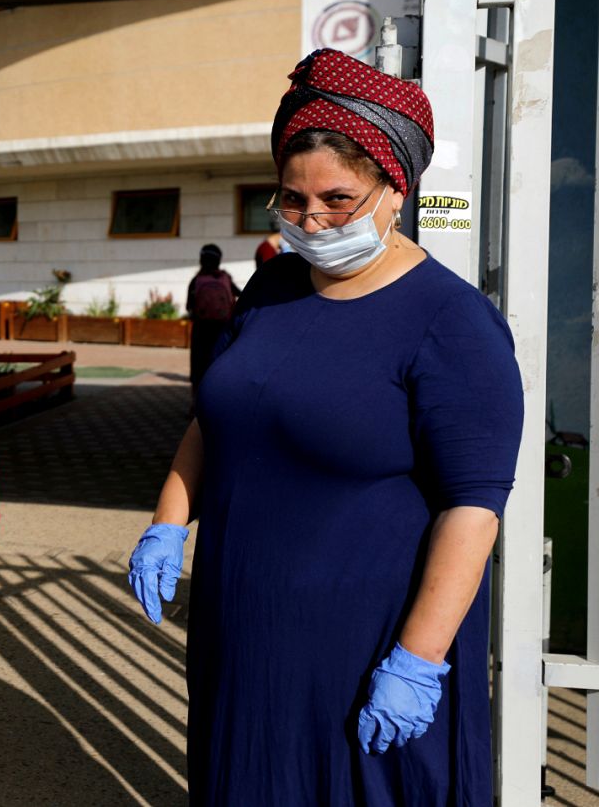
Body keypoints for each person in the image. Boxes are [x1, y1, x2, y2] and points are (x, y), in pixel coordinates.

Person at [125, 49, 524, 805]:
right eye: (293, 201)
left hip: (367, 647)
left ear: (395, 188)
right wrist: (168, 522)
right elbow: (218, 413)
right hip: (243, 634)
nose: (313, 221)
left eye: (338, 200)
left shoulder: (452, 322)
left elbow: (473, 509)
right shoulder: (271, 287)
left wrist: (419, 658)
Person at [185, 243, 240, 402]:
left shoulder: (196, 280)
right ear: (219, 260)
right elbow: (240, 295)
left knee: (198, 367)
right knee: (218, 366)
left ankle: (195, 406)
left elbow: (189, 306)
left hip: (201, 330)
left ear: (201, 259)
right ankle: (218, 402)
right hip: (222, 330)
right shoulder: (225, 278)